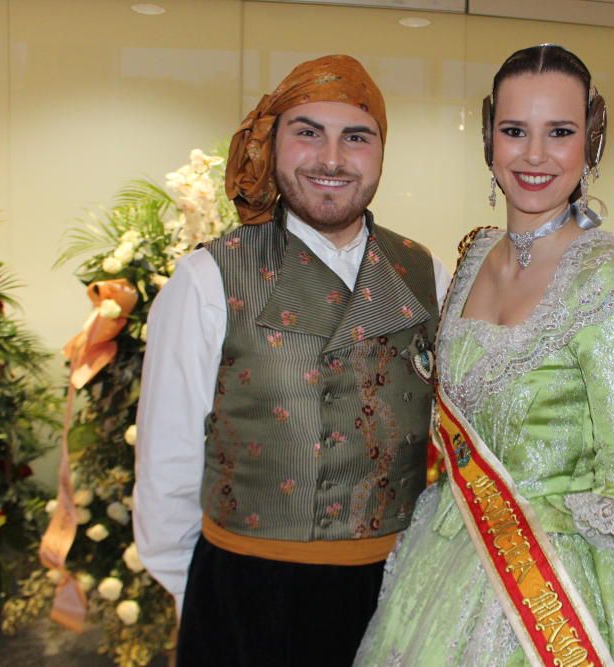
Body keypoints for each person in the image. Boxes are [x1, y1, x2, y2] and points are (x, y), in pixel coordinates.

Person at [354, 45, 614, 667]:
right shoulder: (474, 257)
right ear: (489, 139)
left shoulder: (609, 280)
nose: (534, 155)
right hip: (453, 549)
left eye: (559, 132)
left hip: (568, 585)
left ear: (591, 140)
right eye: (515, 131)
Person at [133, 54, 451, 666]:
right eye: (308, 132)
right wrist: (197, 595)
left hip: (396, 592)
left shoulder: (424, 273)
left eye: (356, 137)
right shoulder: (210, 276)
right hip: (247, 595)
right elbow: (167, 456)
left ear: (381, 151)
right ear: (272, 144)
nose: (331, 159)